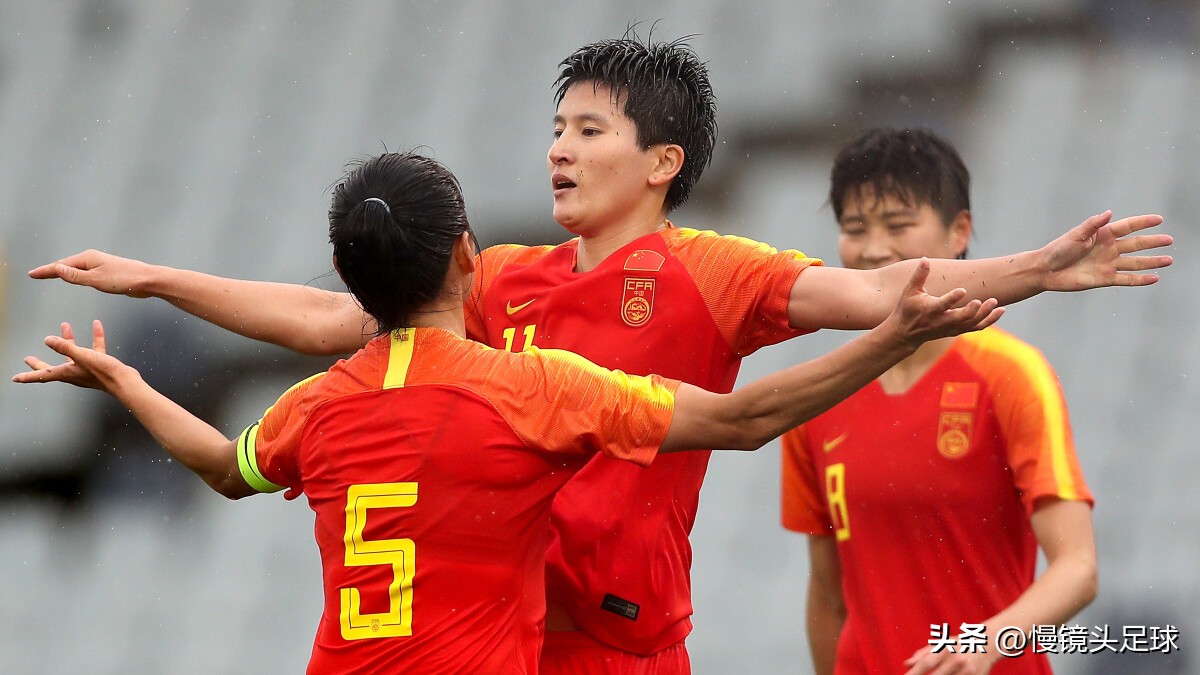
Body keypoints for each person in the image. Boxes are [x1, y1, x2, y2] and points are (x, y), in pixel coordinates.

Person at [29, 37, 1171, 673]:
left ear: (662, 160)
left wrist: (1028, 271)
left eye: (588, 130)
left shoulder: (717, 272)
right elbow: (338, 322)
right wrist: (158, 278)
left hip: (626, 645)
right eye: (556, 128)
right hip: (514, 641)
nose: (560, 151)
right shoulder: (503, 277)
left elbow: (877, 290)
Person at [15, 151, 1004, 673]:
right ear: (464, 256)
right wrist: (887, 341)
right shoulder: (528, 387)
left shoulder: (317, 407)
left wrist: (131, 386)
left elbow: (226, 469)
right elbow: (741, 422)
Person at [781, 128, 1099, 675]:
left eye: (898, 226)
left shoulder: (1012, 376)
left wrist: (986, 641)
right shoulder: (816, 397)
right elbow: (828, 595)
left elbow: (1078, 568)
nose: (874, 251)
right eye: (854, 229)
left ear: (960, 232)